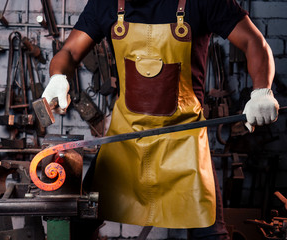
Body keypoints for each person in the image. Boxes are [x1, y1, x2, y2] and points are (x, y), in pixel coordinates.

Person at [41, 0, 280, 239]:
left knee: (210, 234)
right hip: (126, 140)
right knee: (78, 226)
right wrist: (58, 76)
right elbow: (70, 51)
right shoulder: (106, 3)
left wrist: (261, 91)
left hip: (184, 142)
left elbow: (253, 41)